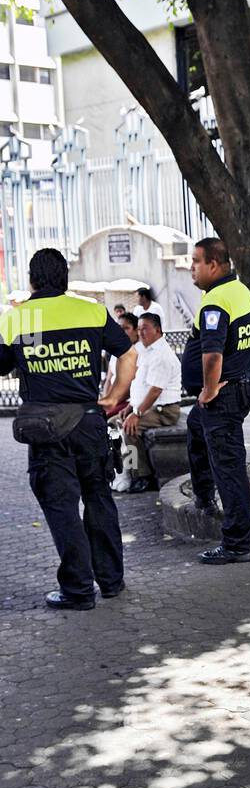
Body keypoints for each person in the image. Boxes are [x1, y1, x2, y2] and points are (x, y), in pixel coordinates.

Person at [0, 247, 137, 610]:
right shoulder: (91, 311)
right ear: (64, 279)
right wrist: (115, 396)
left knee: (62, 507)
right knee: (99, 499)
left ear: (32, 280)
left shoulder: (15, 319)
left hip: (46, 430)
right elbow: (128, 353)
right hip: (89, 421)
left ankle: (78, 590)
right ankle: (111, 581)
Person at [181, 237, 250, 563]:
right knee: (195, 426)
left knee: (228, 469)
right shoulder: (240, 292)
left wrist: (209, 390)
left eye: (196, 262)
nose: (192, 269)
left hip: (223, 395)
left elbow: (212, 356)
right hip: (241, 387)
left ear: (214, 264)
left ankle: (237, 544)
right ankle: (203, 496)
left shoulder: (215, 301)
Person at [121, 311, 182, 492]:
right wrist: (130, 406)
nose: (140, 333)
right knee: (113, 423)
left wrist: (136, 414)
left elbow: (155, 391)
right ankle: (123, 470)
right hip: (149, 407)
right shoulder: (146, 351)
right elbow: (141, 385)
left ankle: (141, 476)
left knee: (129, 428)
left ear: (158, 330)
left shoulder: (161, 354)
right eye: (138, 329)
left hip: (164, 410)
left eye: (145, 329)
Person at [102, 311, 140, 413]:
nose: (122, 331)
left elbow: (130, 386)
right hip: (112, 400)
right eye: (119, 328)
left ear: (136, 330)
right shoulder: (117, 351)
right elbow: (108, 379)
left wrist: (112, 401)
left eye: (126, 328)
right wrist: (106, 398)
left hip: (128, 402)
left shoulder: (139, 353)